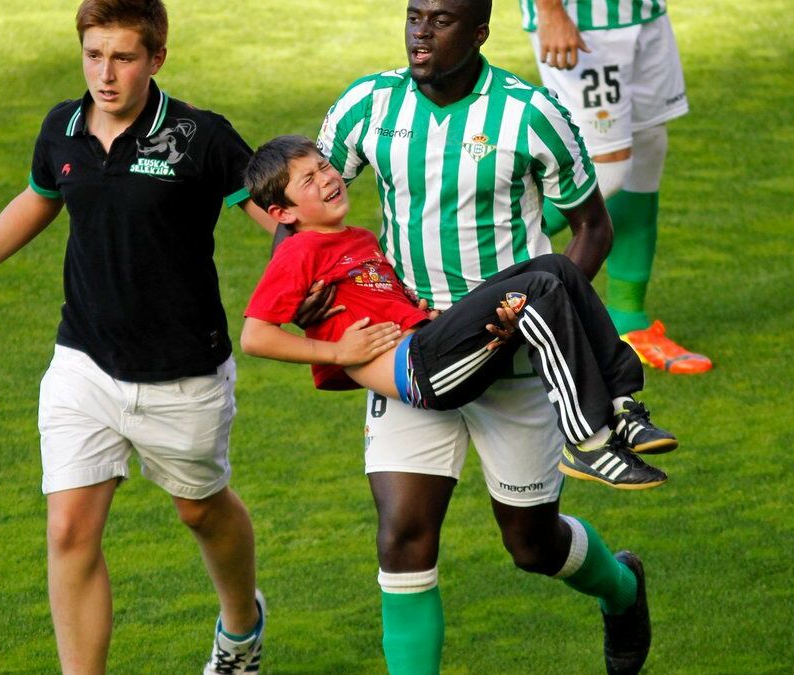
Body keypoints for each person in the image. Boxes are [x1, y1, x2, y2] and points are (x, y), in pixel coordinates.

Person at [0, 1, 269, 672]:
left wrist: (324, 280)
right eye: (93, 54)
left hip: (183, 372)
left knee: (200, 511)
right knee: (69, 529)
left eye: (124, 57)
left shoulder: (201, 137)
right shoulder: (64, 127)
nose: (105, 74)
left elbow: (273, 218)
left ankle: (241, 626)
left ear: (157, 58)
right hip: (84, 361)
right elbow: (40, 195)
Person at [312, 1, 653, 672]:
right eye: (414, 16)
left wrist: (538, 313)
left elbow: (593, 228)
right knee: (403, 535)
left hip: (517, 363)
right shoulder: (368, 106)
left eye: (440, 21)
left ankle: (621, 586)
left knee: (530, 543)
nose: (420, 32)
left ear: (478, 31)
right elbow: (299, 204)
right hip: (412, 350)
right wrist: (326, 281)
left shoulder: (529, 114)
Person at [241, 135, 675, 490]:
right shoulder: (298, 251)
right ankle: (588, 440)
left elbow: (373, 300)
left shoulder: (357, 239)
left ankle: (622, 405)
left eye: (323, 166)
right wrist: (336, 353)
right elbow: (255, 336)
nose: (326, 178)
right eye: (307, 181)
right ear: (283, 213)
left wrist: (413, 310)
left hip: (431, 345)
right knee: (538, 288)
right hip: (419, 372)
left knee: (555, 266)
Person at [521, 0, 712, 374]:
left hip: (644, 14)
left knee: (646, 150)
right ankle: (472, 253)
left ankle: (630, 321)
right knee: (608, 170)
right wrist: (550, 11)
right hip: (585, 23)